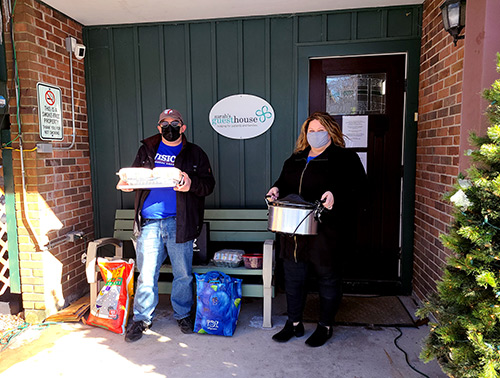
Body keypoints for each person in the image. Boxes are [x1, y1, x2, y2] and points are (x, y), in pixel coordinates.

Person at [267, 111, 366, 347]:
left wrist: (336, 196)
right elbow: (282, 183)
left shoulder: (345, 159)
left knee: (328, 278)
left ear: (330, 131)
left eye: (320, 130)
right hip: (293, 228)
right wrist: (275, 190)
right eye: (311, 131)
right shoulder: (295, 160)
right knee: (293, 277)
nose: (315, 135)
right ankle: (293, 323)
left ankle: (325, 326)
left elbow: (360, 188)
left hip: (327, 231)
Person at [117, 108, 215, 342]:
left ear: (183, 127)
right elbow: (134, 177)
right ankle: (141, 318)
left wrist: (190, 183)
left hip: (179, 222)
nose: (169, 127)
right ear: (158, 127)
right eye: (164, 123)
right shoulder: (147, 150)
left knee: (182, 273)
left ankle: (183, 314)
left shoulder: (194, 153)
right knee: (147, 274)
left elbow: (208, 185)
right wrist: (127, 183)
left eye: (174, 123)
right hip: (149, 222)